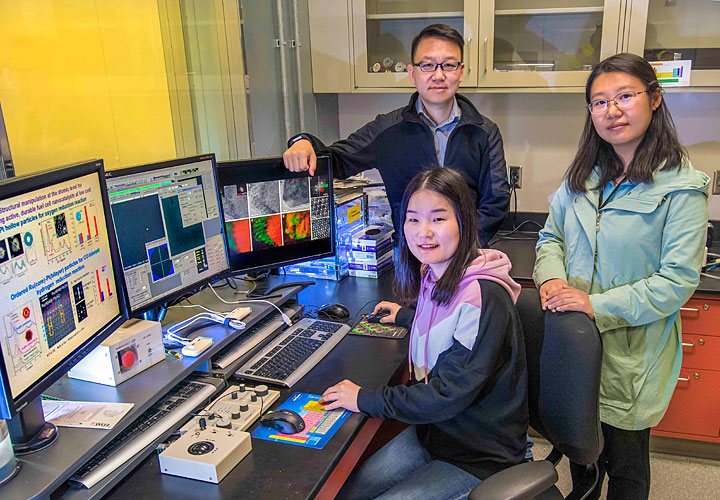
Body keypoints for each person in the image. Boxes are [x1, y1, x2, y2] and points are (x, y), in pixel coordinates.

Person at [533, 53, 709, 500]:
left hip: (632, 357)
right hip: (574, 346)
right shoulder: (581, 178)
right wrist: (551, 280)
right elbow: (550, 237)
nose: (611, 111)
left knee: (626, 466)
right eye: (598, 102)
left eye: (624, 96)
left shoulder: (681, 188)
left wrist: (595, 305)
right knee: (581, 456)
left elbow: (677, 280)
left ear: (654, 99)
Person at [320, 168, 528, 500]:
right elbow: (446, 327)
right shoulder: (437, 272)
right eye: (413, 220)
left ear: (464, 221)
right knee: (347, 491)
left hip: (477, 455)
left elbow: (447, 394)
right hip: (435, 434)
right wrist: (406, 316)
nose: (424, 233)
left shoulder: (484, 297)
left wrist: (364, 397)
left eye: (438, 219)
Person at [283, 24, 509, 247]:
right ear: (412, 73)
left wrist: (460, 248)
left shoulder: (484, 132)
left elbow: (495, 203)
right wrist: (303, 142)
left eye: (448, 65)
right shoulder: (388, 130)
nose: (438, 75)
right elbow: (338, 160)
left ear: (460, 72)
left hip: (467, 258)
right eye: (428, 65)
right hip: (410, 260)